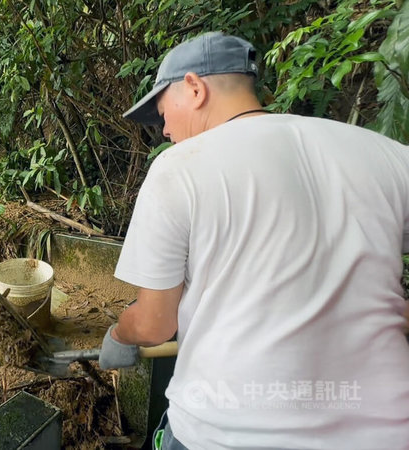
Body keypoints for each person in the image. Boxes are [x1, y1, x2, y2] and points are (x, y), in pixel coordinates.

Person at [98, 32, 409, 449]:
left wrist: (120, 335)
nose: (165, 129)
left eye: (162, 111)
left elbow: (156, 325)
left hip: (226, 432)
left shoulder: (180, 168)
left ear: (194, 88)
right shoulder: (386, 155)